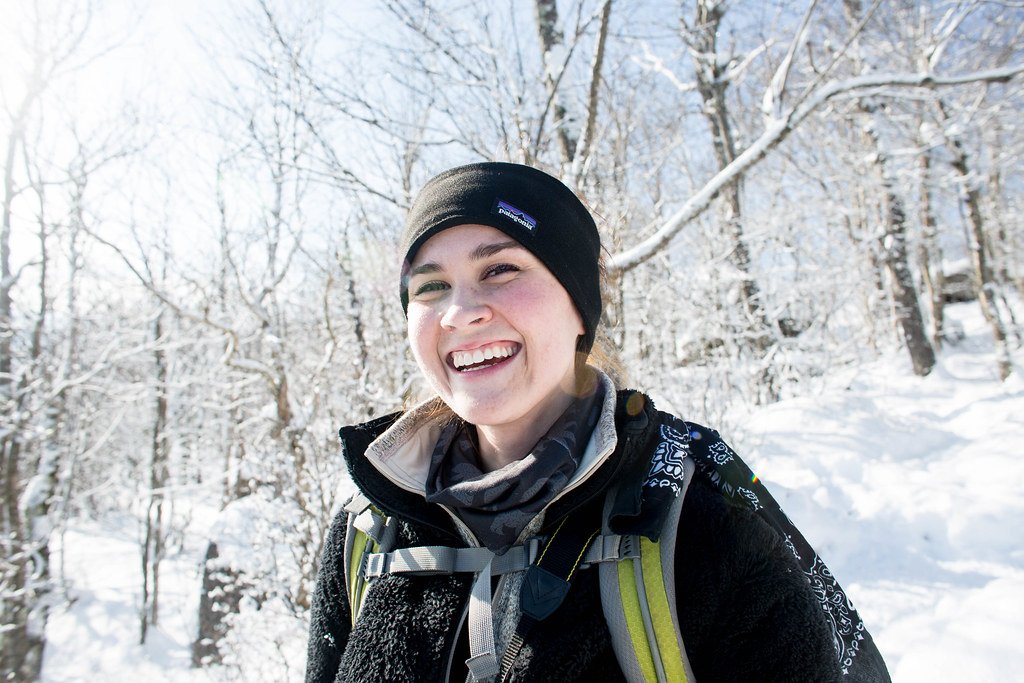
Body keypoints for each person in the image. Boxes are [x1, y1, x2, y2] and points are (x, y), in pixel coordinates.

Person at [305, 162, 890, 682]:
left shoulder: (703, 526)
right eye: (431, 287)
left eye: (501, 269)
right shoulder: (369, 530)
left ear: (579, 304)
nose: (460, 313)